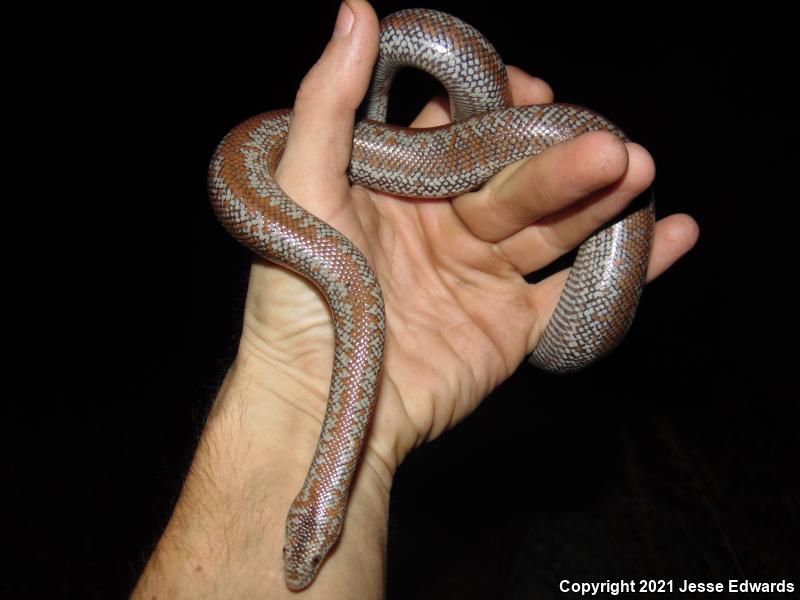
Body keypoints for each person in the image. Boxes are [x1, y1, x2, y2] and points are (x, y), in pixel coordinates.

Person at [131, 1, 699, 598]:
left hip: (464, 149)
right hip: (442, 166)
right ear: (318, 515)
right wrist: (298, 400)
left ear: (316, 510)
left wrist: (292, 398)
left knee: (598, 157)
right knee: (585, 148)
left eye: (314, 539)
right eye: (316, 542)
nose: (301, 573)